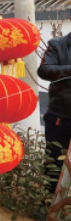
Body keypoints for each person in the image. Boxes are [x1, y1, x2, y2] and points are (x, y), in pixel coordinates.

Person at [38, 27, 71, 203]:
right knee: (54, 162)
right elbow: (44, 70)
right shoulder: (57, 45)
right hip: (61, 115)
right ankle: (46, 205)